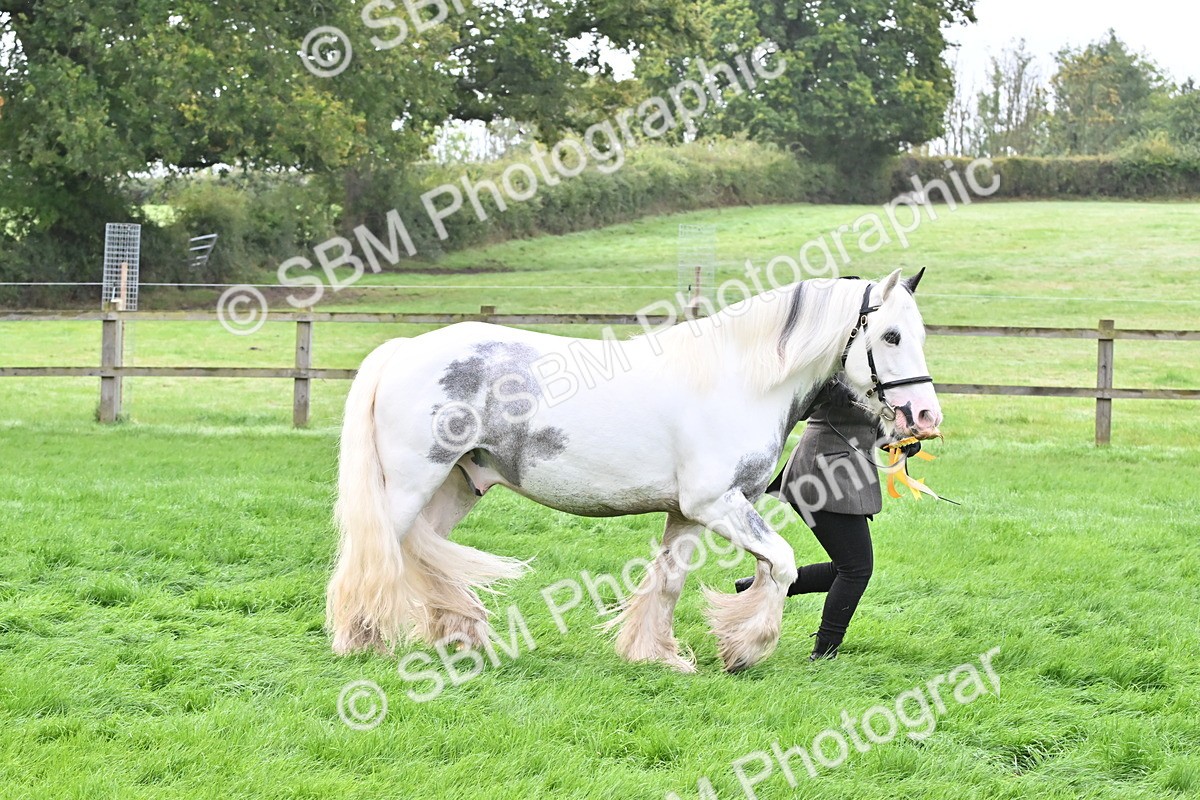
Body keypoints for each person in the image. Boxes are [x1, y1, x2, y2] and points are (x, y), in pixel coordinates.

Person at [734, 377, 919, 661]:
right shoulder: (832, 361)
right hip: (821, 471)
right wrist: (826, 390)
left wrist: (898, 442)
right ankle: (824, 653)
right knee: (855, 569)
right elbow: (796, 403)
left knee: (847, 567)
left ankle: (758, 587)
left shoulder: (875, 368)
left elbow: (867, 423)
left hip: (845, 472)